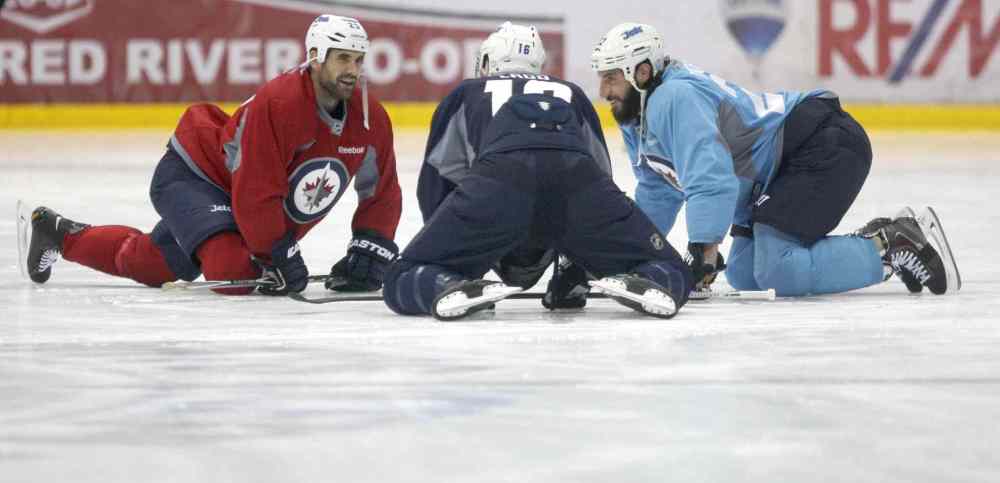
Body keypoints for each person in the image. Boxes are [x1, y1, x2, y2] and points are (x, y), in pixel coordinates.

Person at [25, 15, 402, 296]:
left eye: (357, 60)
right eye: (342, 59)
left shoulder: (370, 117)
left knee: (156, 262)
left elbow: (381, 191)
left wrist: (371, 244)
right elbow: (257, 189)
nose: (352, 70)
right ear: (316, 58)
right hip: (197, 177)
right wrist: (276, 254)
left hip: (244, 200)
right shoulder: (283, 103)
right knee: (234, 273)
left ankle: (58, 234)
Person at [590, 22, 961, 297]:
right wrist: (632, 248)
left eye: (610, 78)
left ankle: (893, 242)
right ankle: (877, 245)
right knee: (744, 273)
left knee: (776, 268)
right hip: (785, 164)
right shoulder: (639, 113)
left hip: (822, 143)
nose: (603, 90)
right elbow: (659, 190)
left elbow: (711, 177)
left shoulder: (674, 97)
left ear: (641, 72)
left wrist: (703, 249)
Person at [382, 22, 693, 320]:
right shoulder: (571, 92)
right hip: (577, 187)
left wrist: (450, 251)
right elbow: (600, 175)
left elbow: (439, 179)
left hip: (498, 185)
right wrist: (579, 263)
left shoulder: (466, 92)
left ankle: (445, 285)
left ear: (488, 61)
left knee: (402, 276)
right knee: (671, 267)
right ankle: (657, 280)